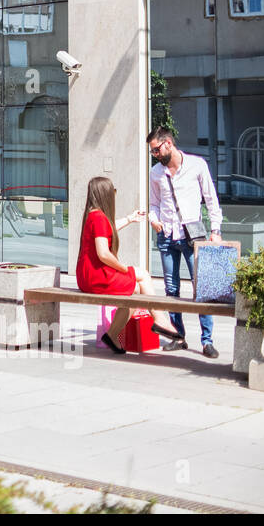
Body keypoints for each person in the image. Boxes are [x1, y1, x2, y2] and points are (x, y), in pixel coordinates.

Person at [76, 176, 185, 354]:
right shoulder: (99, 217)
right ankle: (159, 319)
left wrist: (129, 218)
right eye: (113, 192)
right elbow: (103, 253)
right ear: (106, 194)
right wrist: (123, 268)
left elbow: (107, 229)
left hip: (87, 276)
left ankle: (112, 335)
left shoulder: (93, 215)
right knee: (142, 275)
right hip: (96, 276)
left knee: (135, 289)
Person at [146, 127, 222, 359]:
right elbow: (154, 203)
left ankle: (207, 341)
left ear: (168, 143)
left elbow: (211, 199)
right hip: (167, 236)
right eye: (152, 152)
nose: (155, 155)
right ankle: (178, 336)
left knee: (201, 290)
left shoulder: (197, 165)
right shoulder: (155, 173)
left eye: (157, 150)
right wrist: (153, 218)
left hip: (192, 236)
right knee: (171, 289)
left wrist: (215, 230)